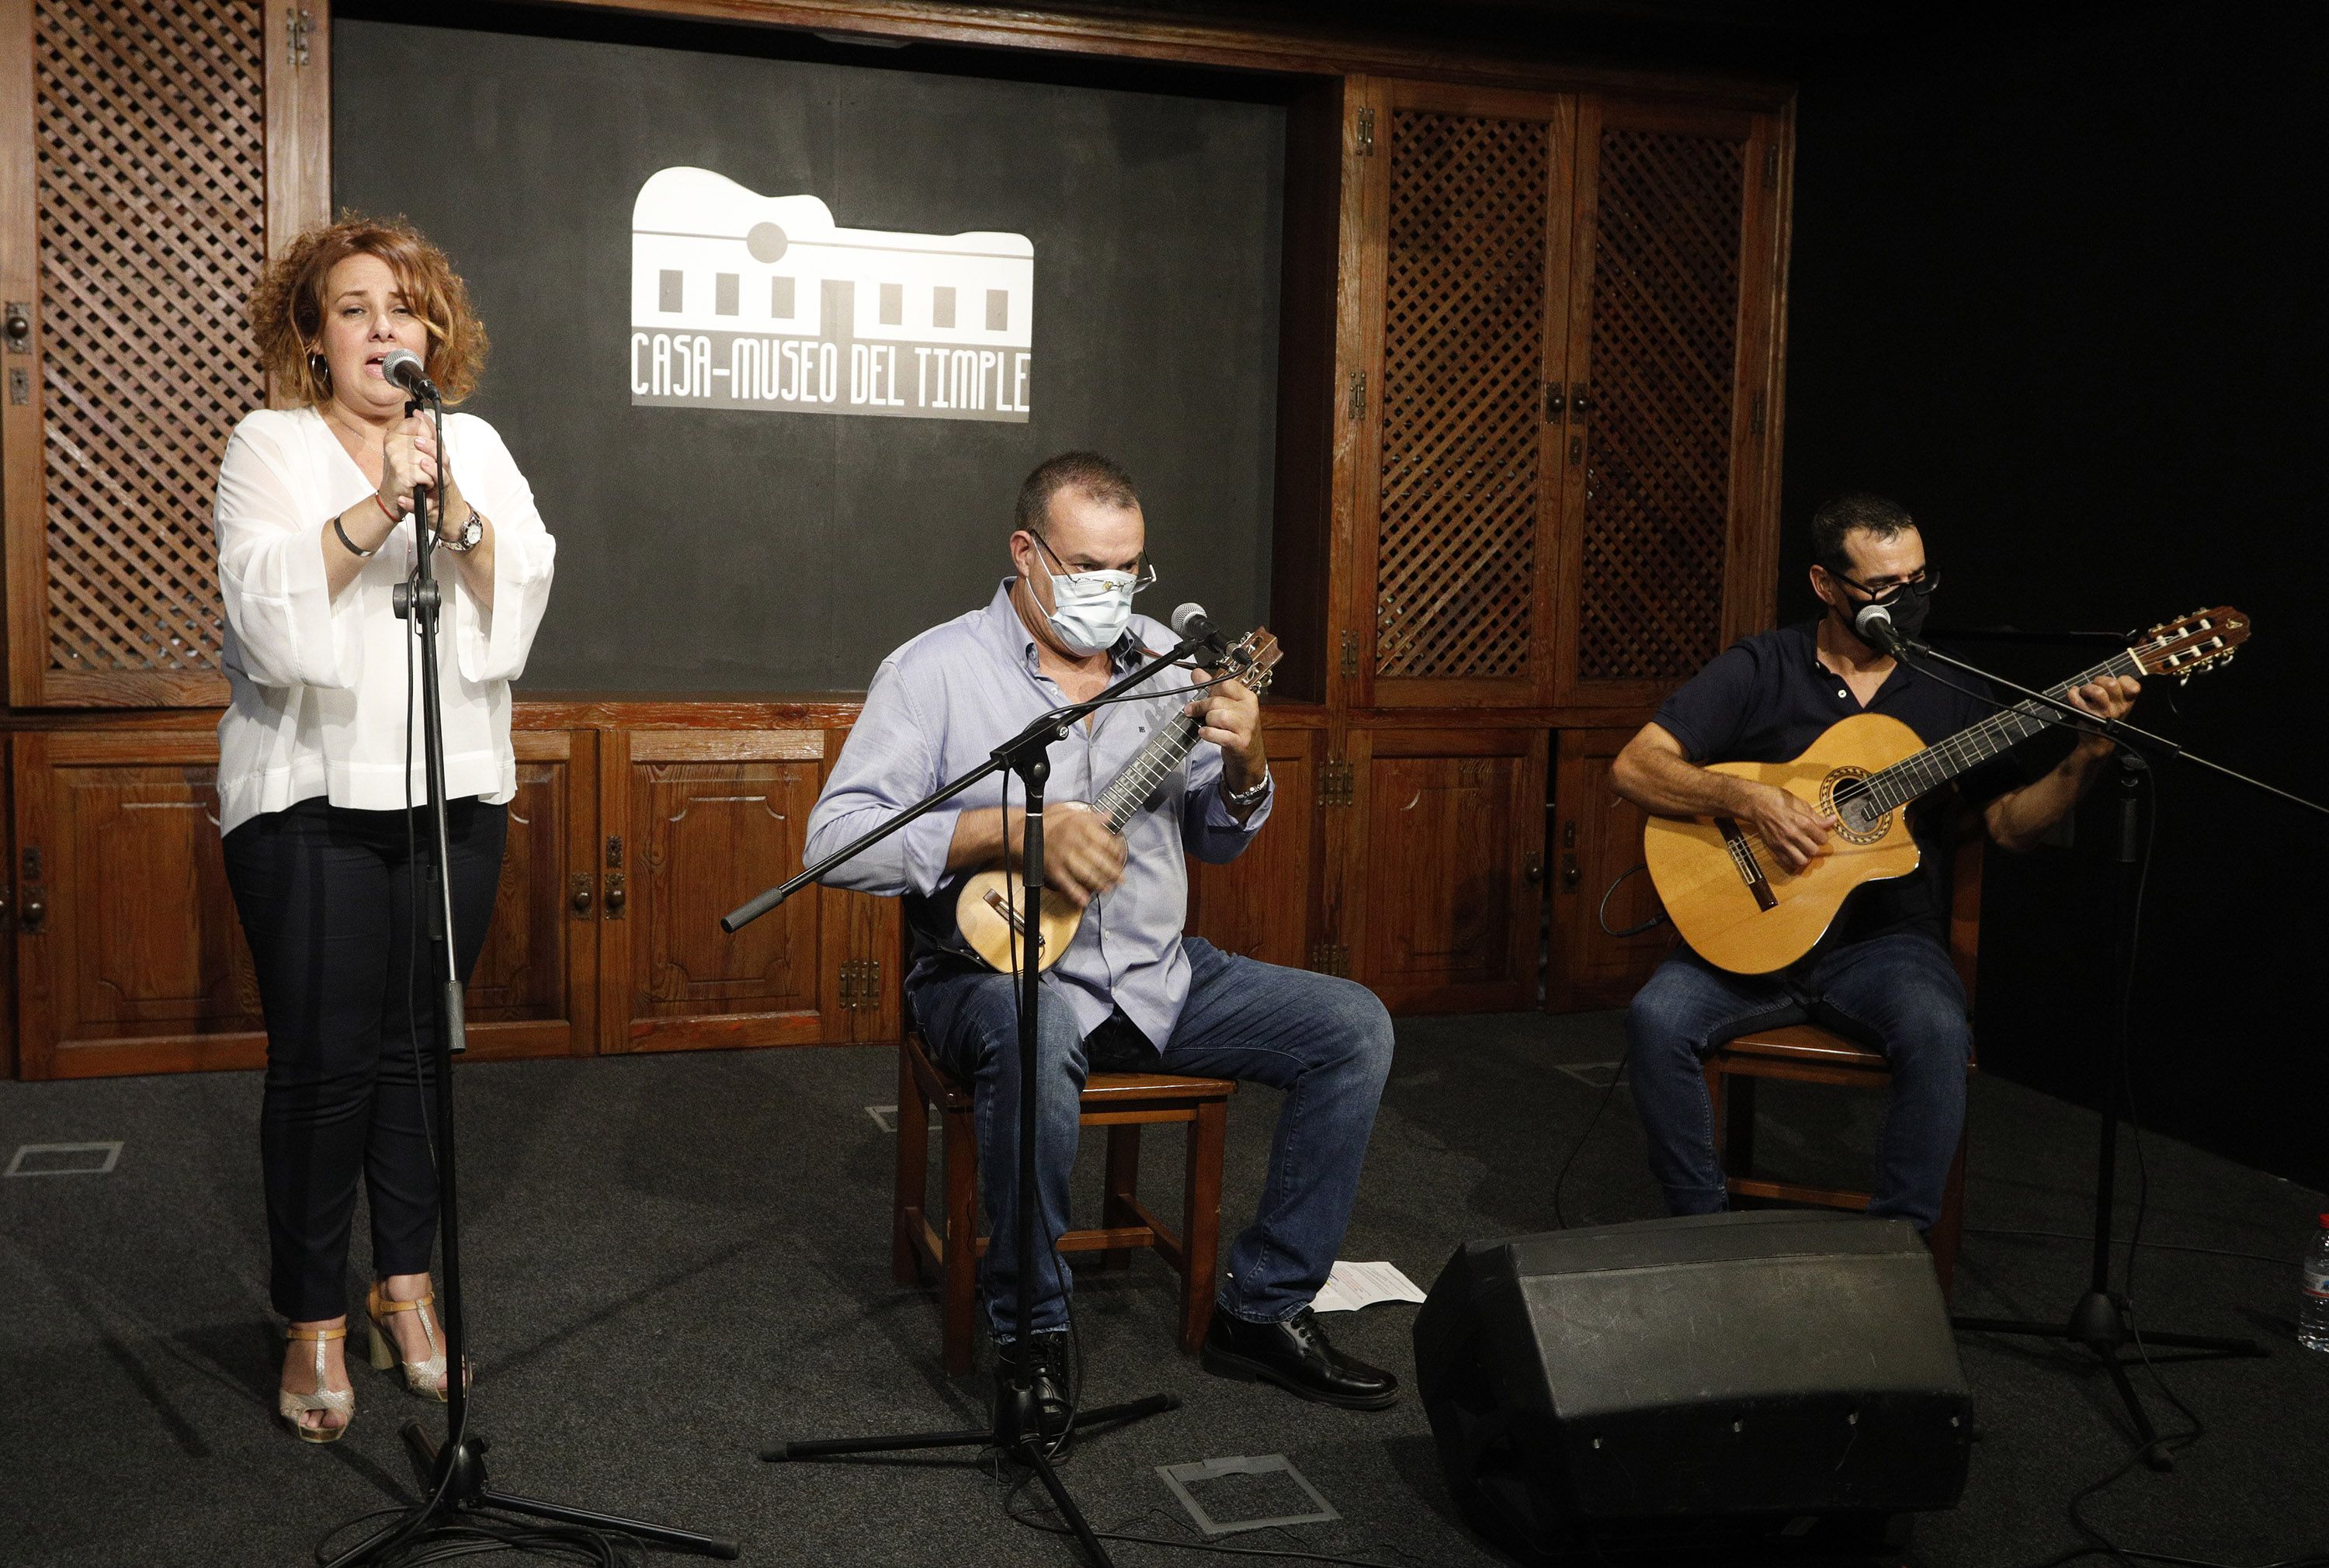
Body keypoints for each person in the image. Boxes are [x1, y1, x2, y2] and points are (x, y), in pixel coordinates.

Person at [805, 452, 1398, 1428]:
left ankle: (1263, 1306)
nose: (1110, 591)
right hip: (990, 975)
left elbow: (1218, 834)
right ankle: (1029, 1330)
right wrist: (1014, 833)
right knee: (1033, 1032)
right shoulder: (933, 671)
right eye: (1088, 568)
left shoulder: (1172, 659)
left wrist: (1248, 759)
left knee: (1354, 1025)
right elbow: (835, 844)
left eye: (1129, 570)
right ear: (1026, 552)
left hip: (1159, 975)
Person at [217, 215, 556, 1441]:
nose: (383, 329)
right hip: (308, 799)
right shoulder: (270, 444)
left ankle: (403, 1286)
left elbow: (515, 596)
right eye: (354, 308)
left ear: (433, 332)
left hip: (452, 790)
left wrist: (452, 509)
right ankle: (312, 1314)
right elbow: (267, 614)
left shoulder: (472, 444)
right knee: (322, 1067)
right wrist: (377, 509)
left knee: (421, 1052)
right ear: (313, 335)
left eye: (403, 308)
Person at [1610, 493, 2138, 1233]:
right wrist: (1748, 800)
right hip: (1747, 944)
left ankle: (1896, 1255)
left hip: (1886, 946)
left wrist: (2088, 755)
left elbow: (2010, 828)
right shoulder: (1762, 665)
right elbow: (1636, 768)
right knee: (1656, 1017)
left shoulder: (1956, 691)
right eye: (1886, 587)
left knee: (1938, 1029)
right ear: (1827, 585)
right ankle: (1705, 1237)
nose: (1909, 599)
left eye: (1920, 580)